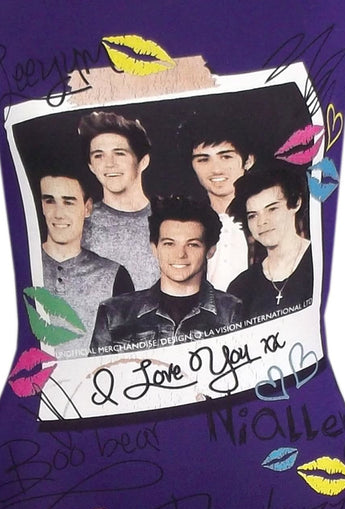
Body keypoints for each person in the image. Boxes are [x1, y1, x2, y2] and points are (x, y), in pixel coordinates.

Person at [90, 195, 243, 354]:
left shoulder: (232, 311)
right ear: (155, 248)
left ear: (210, 250)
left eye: (192, 245)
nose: (180, 254)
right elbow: (98, 369)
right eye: (169, 244)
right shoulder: (114, 312)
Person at [39, 170, 133, 355]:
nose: (58, 214)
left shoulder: (114, 275)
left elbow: (127, 352)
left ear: (87, 208)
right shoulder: (23, 267)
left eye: (68, 202)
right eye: (50, 201)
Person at [78, 111, 160, 290]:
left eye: (120, 153)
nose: (109, 164)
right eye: (99, 155)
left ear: (143, 162)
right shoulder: (80, 225)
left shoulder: (167, 217)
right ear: (91, 167)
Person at [227, 163, 313, 318]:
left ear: (295, 204)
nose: (262, 222)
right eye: (253, 215)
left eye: (272, 209)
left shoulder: (323, 263)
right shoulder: (241, 286)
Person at [181, 116, 255, 290]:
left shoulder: (267, 220)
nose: (215, 169)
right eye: (203, 159)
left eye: (226, 157)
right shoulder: (184, 223)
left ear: (248, 161)